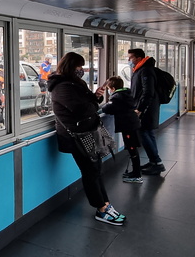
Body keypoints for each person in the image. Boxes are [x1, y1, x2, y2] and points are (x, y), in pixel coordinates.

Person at [48, 52, 125, 225]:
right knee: (90, 171)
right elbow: (83, 110)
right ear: (70, 67)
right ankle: (101, 208)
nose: (81, 70)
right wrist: (92, 103)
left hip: (88, 132)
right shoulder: (62, 87)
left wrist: (96, 96)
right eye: (79, 67)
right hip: (76, 136)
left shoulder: (75, 83)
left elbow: (89, 104)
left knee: (96, 169)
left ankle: (105, 203)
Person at [98, 76, 143, 183]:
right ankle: (135, 172)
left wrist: (105, 105)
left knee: (132, 149)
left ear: (112, 88)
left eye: (109, 89)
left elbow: (107, 108)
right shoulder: (127, 93)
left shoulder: (117, 97)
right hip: (132, 124)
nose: (108, 91)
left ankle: (137, 175)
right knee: (133, 149)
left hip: (128, 126)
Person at [127, 48, 165, 175]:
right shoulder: (141, 69)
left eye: (130, 57)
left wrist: (140, 109)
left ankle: (157, 162)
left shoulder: (145, 71)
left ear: (138, 58)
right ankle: (154, 162)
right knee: (149, 134)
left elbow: (148, 92)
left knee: (144, 134)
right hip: (148, 108)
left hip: (146, 109)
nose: (128, 60)